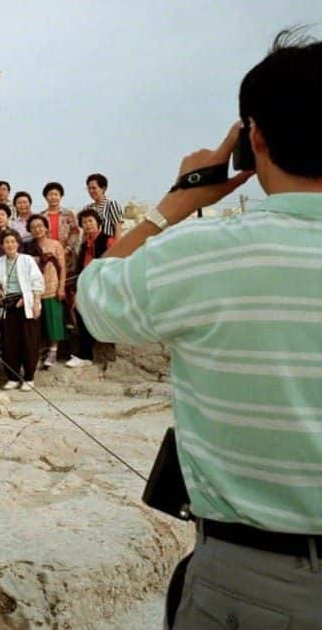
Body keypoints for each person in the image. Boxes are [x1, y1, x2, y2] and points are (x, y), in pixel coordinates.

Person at [76, 33, 322, 629]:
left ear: (253, 139)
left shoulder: (201, 255)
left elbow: (94, 297)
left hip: (256, 579)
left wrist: (174, 205)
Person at [0, 229, 44, 391]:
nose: (10, 245)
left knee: (29, 342)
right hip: (8, 305)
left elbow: (37, 282)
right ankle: (13, 377)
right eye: (6, 242)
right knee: (9, 342)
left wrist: (35, 303)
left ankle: (29, 377)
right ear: (2, 245)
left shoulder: (27, 260)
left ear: (18, 243)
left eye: (13, 242)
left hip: (26, 304)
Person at [69, 209, 114, 367]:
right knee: (79, 313)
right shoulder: (84, 244)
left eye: (90, 221)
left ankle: (87, 354)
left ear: (98, 223)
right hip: (87, 286)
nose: (87, 225)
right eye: (84, 223)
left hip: (102, 286)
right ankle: (85, 354)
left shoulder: (107, 240)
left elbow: (114, 263)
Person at [27, 215, 67, 368]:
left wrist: (61, 287)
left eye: (40, 226)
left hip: (52, 286)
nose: (37, 229)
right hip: (34, 291)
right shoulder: (28, 247)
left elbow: (62, 267)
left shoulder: (55, 245)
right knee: (38, 322)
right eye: (33, 227)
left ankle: (53, 351)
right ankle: (40, 351)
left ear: (45, 227)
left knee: (53, 320)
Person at [84, 173, 124, 240]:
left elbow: (118, 230)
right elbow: (85, 234)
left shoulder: (112, 205)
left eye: (94, 188)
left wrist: (116, 249)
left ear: (103, 188)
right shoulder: (87, 208)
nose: (91, 191)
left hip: (108, 247)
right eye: (89, 189)